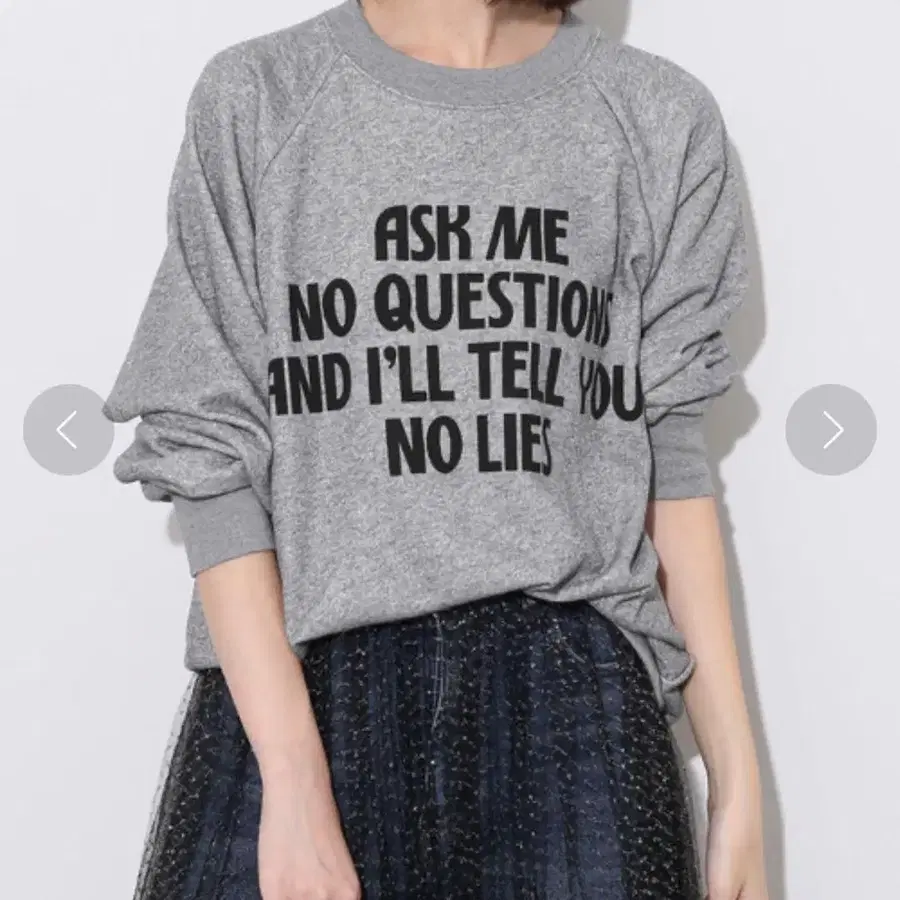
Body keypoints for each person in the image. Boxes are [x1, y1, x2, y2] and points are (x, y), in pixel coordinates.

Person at [102, 0, 768, 897]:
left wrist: (736, 785)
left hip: (572, 712)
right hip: (305, 688)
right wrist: (293, 780)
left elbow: (671, 462)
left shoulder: (656, 114)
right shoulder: (261, 95)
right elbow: (204, 448)